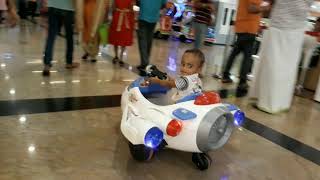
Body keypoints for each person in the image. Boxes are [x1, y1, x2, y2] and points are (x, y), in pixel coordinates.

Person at [249, 0, 314, 114]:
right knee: (288, 68)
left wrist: (263, 8)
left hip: (279, 27)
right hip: (297, 31)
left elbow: (268, 6)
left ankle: (267, 102)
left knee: (272, 65)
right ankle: (280, 103)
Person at [221, 0, 270, 97]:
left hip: (242, 26)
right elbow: (251, 8)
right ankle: (242, 82)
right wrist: (264, 7)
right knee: (247, 56)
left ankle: (226, 75)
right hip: (249, 28)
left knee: (235, 52)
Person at [42, 0, 80, 76]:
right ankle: (69, 62)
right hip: (68, 8)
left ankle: (47, 65)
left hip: (53, 6)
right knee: (69, 36)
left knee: (51, 36)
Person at [136, 0, 167, 73]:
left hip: (143, 16)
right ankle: (145, 62)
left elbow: (138, 2)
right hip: (154, 17)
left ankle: (144, 63)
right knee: (149, 40)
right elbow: (163, 4)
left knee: (142, 40)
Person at [109, 0, 135, 66]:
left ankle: (116, 56)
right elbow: (131, 9)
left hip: (117, 17)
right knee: (124, 38)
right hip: (126, 18)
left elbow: (113, 8)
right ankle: (121, 57)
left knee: (116, 38)